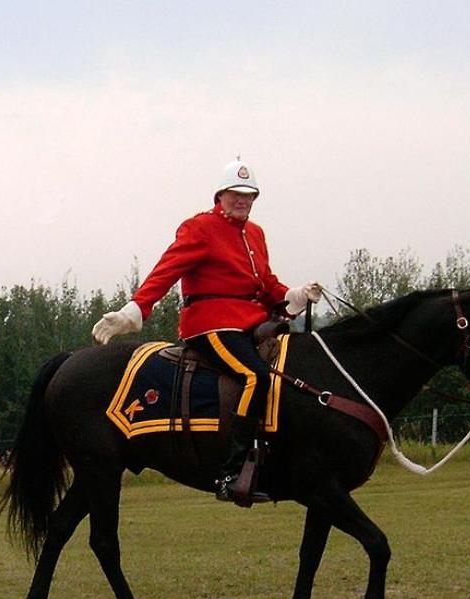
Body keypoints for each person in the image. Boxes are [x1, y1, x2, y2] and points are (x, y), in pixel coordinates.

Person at [92, 159, 321, 504]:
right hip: (212, 324)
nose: (242, 201)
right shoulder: (199, 228)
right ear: (221, 195)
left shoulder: (256, 234)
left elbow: (267, 285)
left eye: (249, 196)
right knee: (255, 377)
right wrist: (136, 309)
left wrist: (298, 295)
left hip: (251, 323)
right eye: (235, 195)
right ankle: (230, 474)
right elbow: (166, 271)